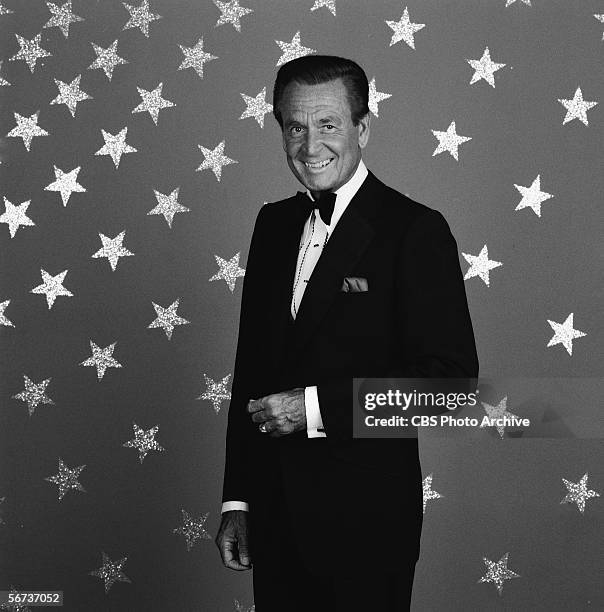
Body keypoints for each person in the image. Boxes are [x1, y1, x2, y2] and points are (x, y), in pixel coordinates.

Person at [215, 54, 479, 611]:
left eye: (329, 124)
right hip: (275, 515)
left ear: (362, 127)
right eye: (295, 127)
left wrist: (313, 408)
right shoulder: (273, 224)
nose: (311, 146)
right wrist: (238, 498)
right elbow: (254, 368)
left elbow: (450, 388)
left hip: (368, 525)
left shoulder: (415, 230)